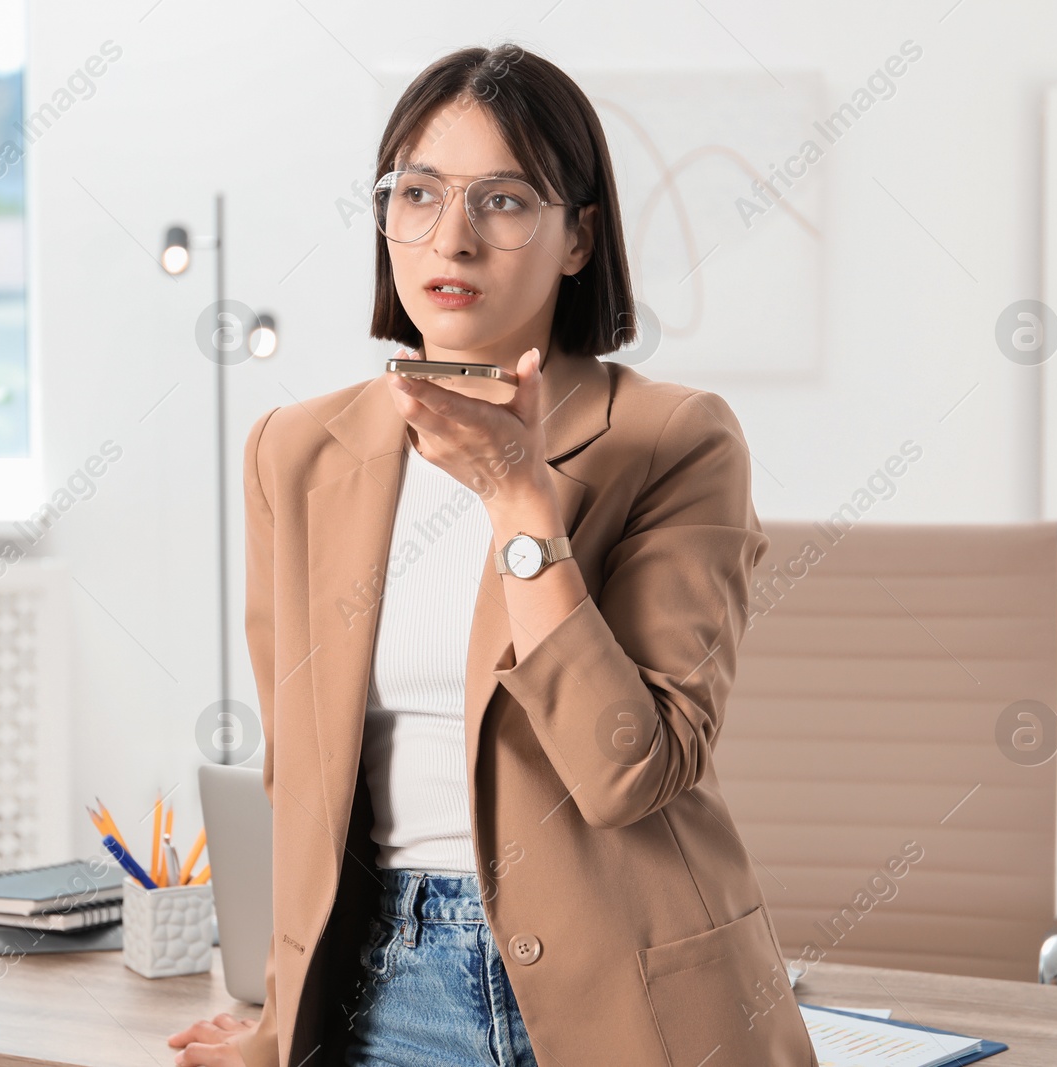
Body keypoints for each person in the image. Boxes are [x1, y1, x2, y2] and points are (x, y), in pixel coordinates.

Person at [168, 42, 816, 1067]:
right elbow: (302, 772)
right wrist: (278, 1017)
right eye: (416, 192)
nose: (453, 238)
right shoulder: (295, 451)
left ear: (577, 238)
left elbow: (631, 770)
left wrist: (520, 497)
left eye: (504, 200)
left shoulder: (677, 438)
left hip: (627, 998)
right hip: (378, 989)